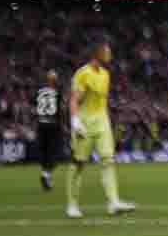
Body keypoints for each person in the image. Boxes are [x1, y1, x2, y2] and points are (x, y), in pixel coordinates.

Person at [67, 40, 135, 218]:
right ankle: (72, 204)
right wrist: (75, 121)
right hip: (85, 123)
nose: (109, 54)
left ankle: (113, 202)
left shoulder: (105, 74)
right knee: (78, 163)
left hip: (102, 121)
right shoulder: (83, 74)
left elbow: (102, 101)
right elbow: (74, 99)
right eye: (107, 51)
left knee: (107, 160)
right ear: (97, 53)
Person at [34, 69, 62, 191]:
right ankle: (46, 175)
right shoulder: (57, 92)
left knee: (44, 153)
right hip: (52, 125)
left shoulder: (39, 91)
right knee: (55, 153)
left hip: (41, 124)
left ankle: (46, 176)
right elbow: (58, 110)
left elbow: (36, 107)